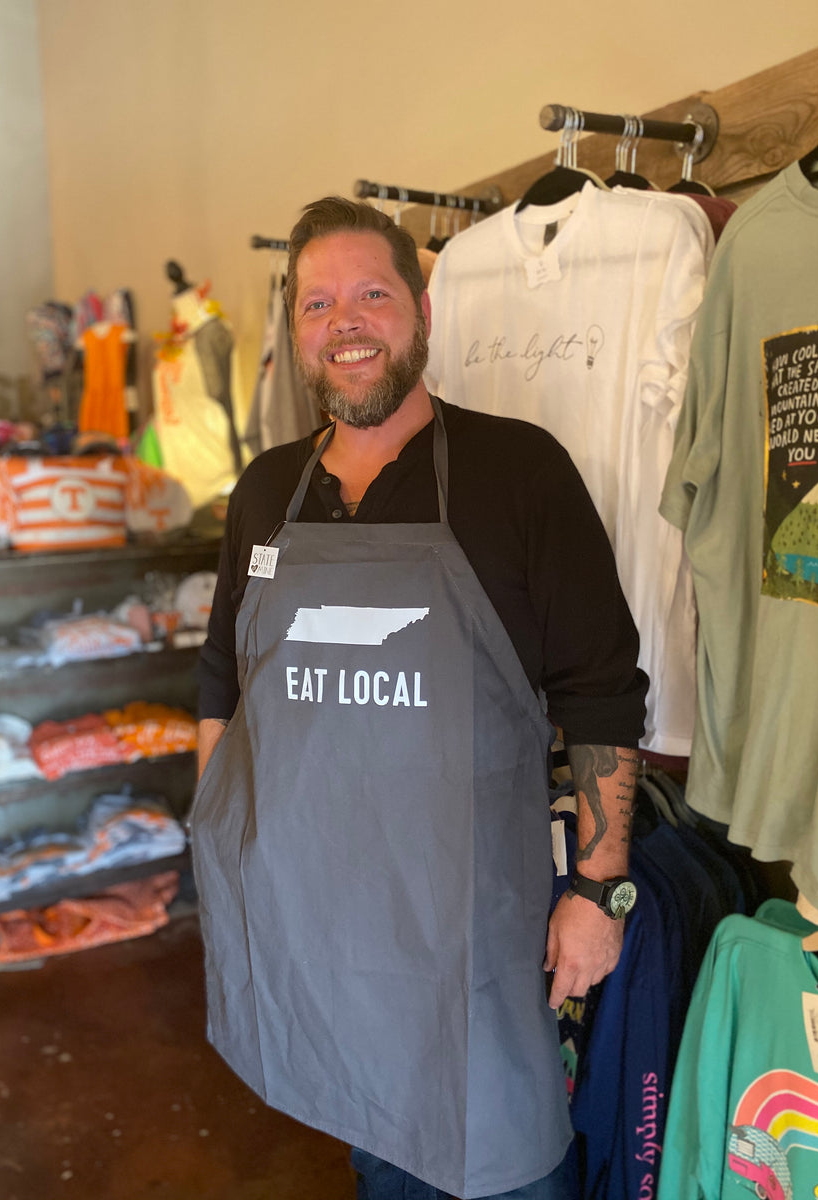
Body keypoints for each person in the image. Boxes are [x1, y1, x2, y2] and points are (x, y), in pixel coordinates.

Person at [192, 197, 647, 1200]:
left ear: (423, 311)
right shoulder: (267, 491)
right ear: (297, 332)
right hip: (320, 924)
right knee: (376, 1149)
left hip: (473, 925)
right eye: (317, 303)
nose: (344, 323)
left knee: (514, 1159)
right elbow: (223, 678)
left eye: (370, 294)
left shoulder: (518, 473)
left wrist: (595, 892)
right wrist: (224, 842)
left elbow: (604, 694)